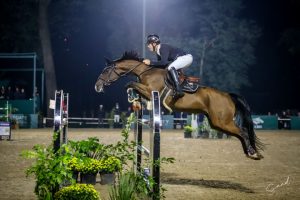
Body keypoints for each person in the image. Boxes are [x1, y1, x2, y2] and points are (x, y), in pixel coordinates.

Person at [143, 34, 193, 98]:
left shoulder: (163, 47)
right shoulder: (158, 52)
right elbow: (161, 66)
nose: (148, 46)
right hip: (183, 59)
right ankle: (181, 85)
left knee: (170, 68)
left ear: (154, 44)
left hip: (186, 58)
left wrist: (150, 62)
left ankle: (178, 90)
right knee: (169, 69)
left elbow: (163, 63)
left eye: (148, 44)